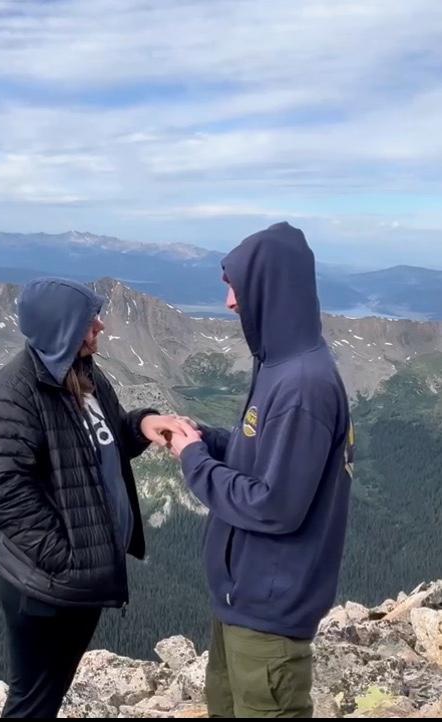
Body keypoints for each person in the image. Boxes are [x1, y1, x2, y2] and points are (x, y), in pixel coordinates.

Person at [168, 222, 354, 718]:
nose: (230, 301)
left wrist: (193, 461)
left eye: (237, 287)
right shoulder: (277, 366)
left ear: (270, 287)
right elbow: (262, 454)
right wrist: (206, 439)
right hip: (241, 602)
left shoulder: (303, 385)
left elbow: (275, 505)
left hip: (269, 618)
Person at [0, 277, 186, 719]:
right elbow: (2, 488)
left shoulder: (83, 374)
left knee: (48, 695)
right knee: (32, 701)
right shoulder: (16, 389)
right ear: (62, 328)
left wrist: (142, 426)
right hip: (45, 590)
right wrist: (67, 559)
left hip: (74, 586)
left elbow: (105, 440)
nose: (100, 326)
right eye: (89, 320)